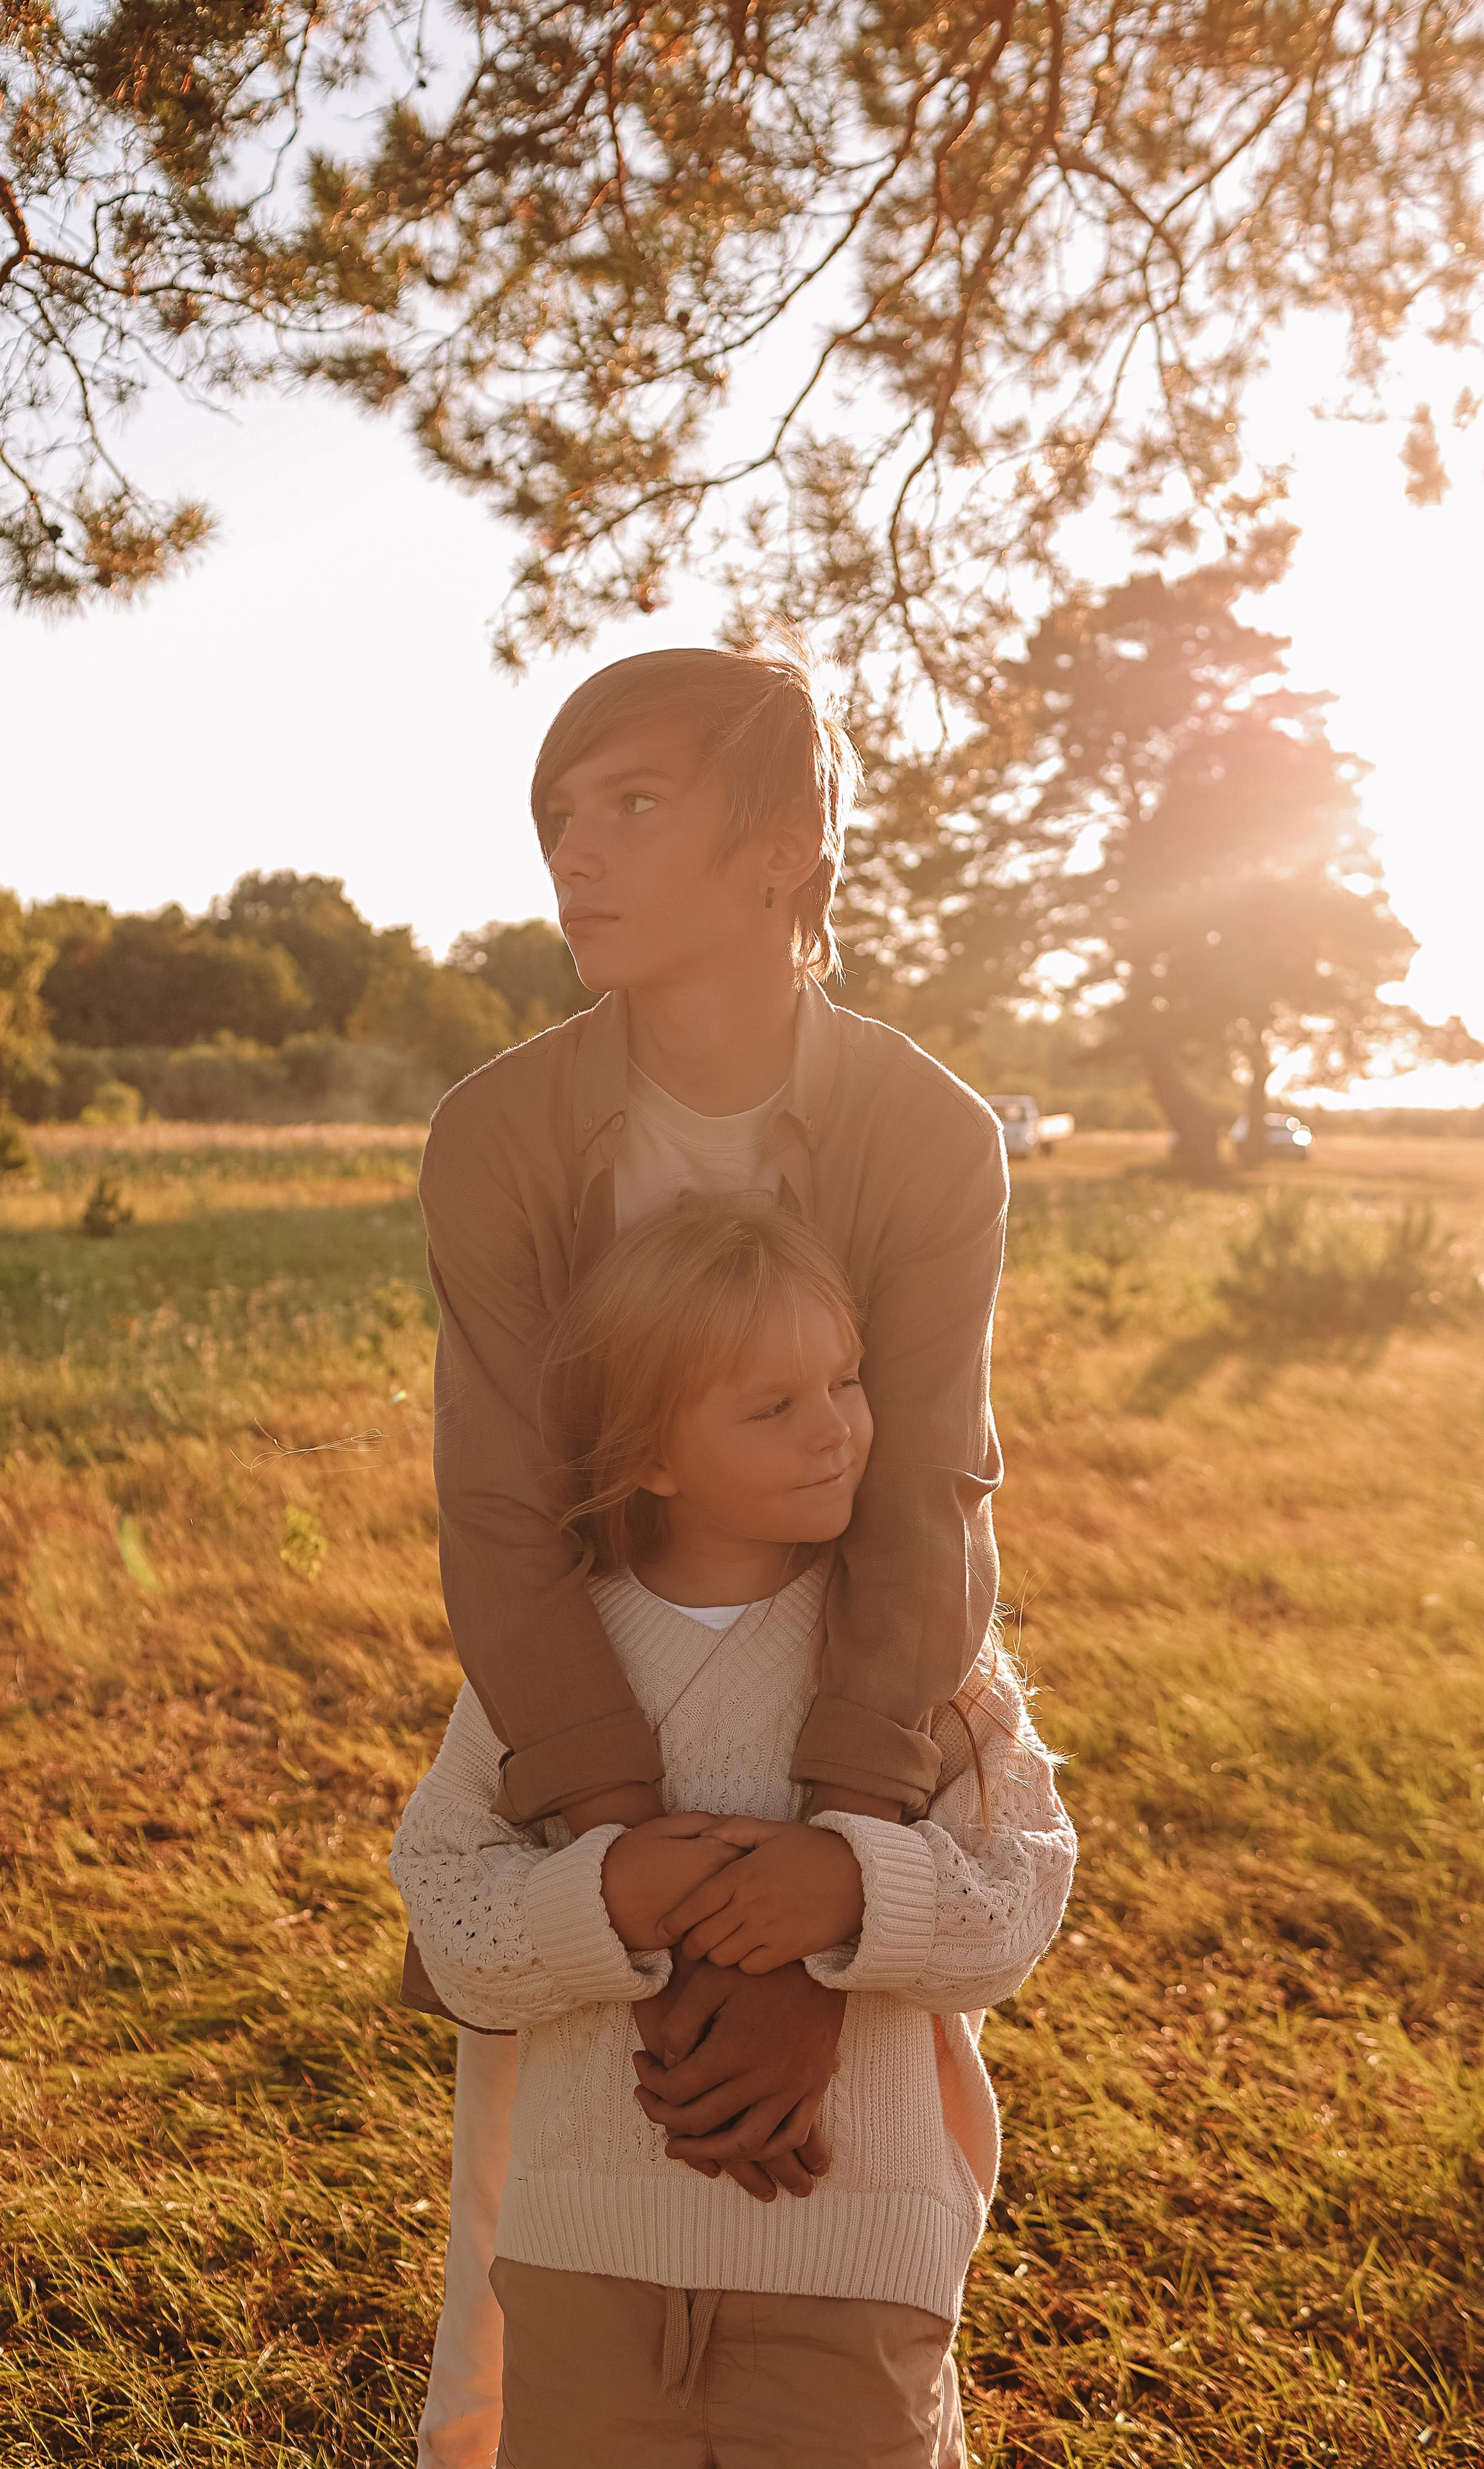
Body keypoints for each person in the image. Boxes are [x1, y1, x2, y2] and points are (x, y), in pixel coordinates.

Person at [405, 642, 1013, 2463]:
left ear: (785, 843)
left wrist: (828, 1905)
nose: (573, 853)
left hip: (858, 1716)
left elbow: (926, 1493)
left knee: (857, 2225)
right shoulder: (499, 1130)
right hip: (589, 1701)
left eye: (635, 803)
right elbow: (500, 1508)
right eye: (557, 816)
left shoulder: (925, 1130)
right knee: (541, 2245)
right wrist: (637, 1884)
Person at [392, 1203, 1075, 2466]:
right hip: (583, 2265)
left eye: (847, 1380)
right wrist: (601, 1899)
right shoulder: (549, 1665)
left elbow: (1020, 1894)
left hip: (853, 2269)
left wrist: (859, 1891)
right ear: (650, 1454)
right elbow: (446, 1912)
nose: (836, 1427)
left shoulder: (925, 1652)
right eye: (773, 1407)